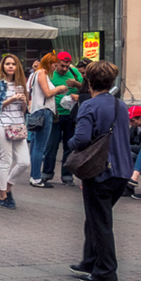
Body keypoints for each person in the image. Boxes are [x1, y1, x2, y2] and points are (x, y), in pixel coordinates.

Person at [67, 60, 132, 281]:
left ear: (89, 81)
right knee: (96, 218)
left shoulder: (89, 106)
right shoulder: (120, 105)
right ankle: (90, 261)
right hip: (122, 171)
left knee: (101, 222)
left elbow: (82, 138)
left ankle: (106, 272)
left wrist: (70, 142)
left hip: (100, 170)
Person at [0, 54, 30, 210]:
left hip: (18, 125)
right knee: (6, 161)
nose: (10, 66)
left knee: (24, 162)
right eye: (7, 64)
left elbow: (24, 111)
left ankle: (8, 186)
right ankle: (2, 196)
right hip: (2, 124)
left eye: (13, 64)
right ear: (2, 66)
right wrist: (11, 99)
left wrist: (23, 102)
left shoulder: (20, 85)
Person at [41, 51, 84, 186]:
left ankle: (67, 175)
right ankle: (47, 173)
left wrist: (77, 85)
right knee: (51, 145)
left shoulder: (75, 74)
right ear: (56, 64)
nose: (64, 69)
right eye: (61, 66)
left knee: (69, 147)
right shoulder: (50, 74)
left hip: (71, 116)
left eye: (67, 66)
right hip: (55, 115)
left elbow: (86, 91)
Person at [27, 52, 69, 188]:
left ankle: (34, 175)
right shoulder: (41, 73)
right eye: (55, 65)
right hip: (44, 111)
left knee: (35, 144)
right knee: (39, 146)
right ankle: (36, 177)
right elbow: (48, 93)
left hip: (36, 110)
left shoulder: (34, 74)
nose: (55, 68)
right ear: (49, 63)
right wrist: (60, 88)